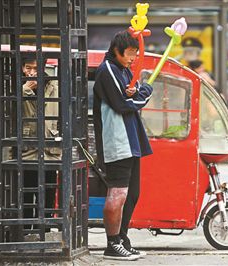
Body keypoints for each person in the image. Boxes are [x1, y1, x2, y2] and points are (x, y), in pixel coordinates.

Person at [93, 30, 153, 261]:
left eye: (135, 54)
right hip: (117, 140)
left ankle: (122, 239)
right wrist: (145, 91)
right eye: (129, 54)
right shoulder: (107, 70)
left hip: (131, 139)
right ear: (116, 51)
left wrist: (138, 90)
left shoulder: (123, 69)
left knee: (132, 194)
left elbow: (131, 92)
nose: (132, 59)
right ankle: (112, 243)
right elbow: (123, 104)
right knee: (117, 194)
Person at [21, 58, 61, 229]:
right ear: (22, 68)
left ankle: (44, 229)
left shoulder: (53, 84)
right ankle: (25, 231)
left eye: (36, 68)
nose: (32, 72)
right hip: (27, 148)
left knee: (48, 192)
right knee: (27, 192)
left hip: (50, 147)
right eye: (28, 68)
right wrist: (25, 90)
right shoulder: (17, 86)